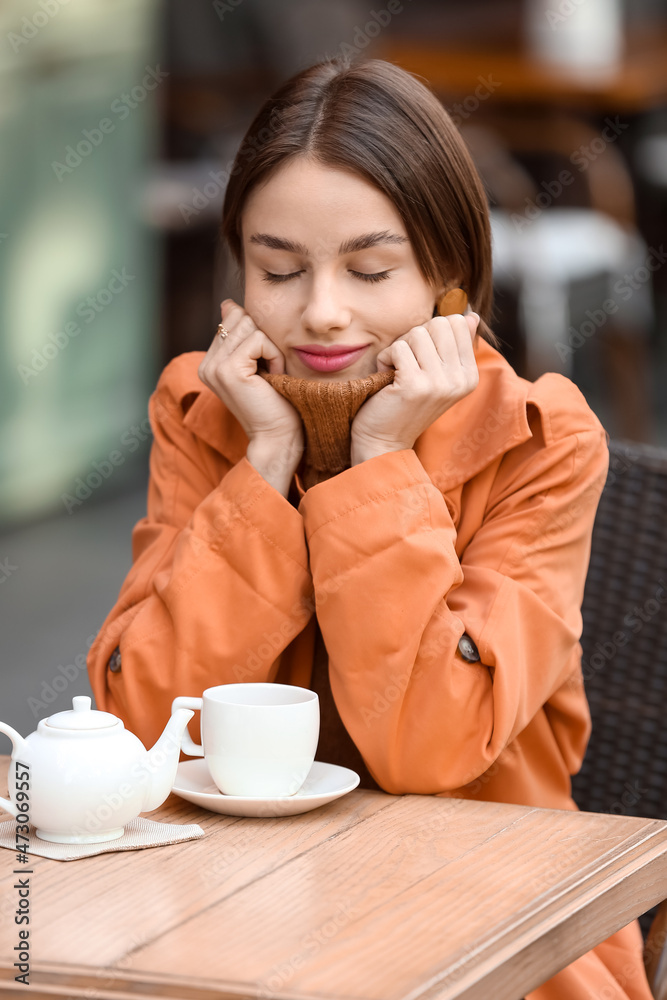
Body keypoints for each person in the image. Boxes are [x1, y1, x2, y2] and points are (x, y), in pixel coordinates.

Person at [88, 56, 652, 999]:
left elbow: (428, 750)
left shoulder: (539, 440)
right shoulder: (203, 410)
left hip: (495, 940)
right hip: (232, 923)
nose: (319, 311)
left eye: (370, 268)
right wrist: (263, 468)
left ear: (450, 280)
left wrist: (377, 461)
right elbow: (143, 734)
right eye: (278, 268)